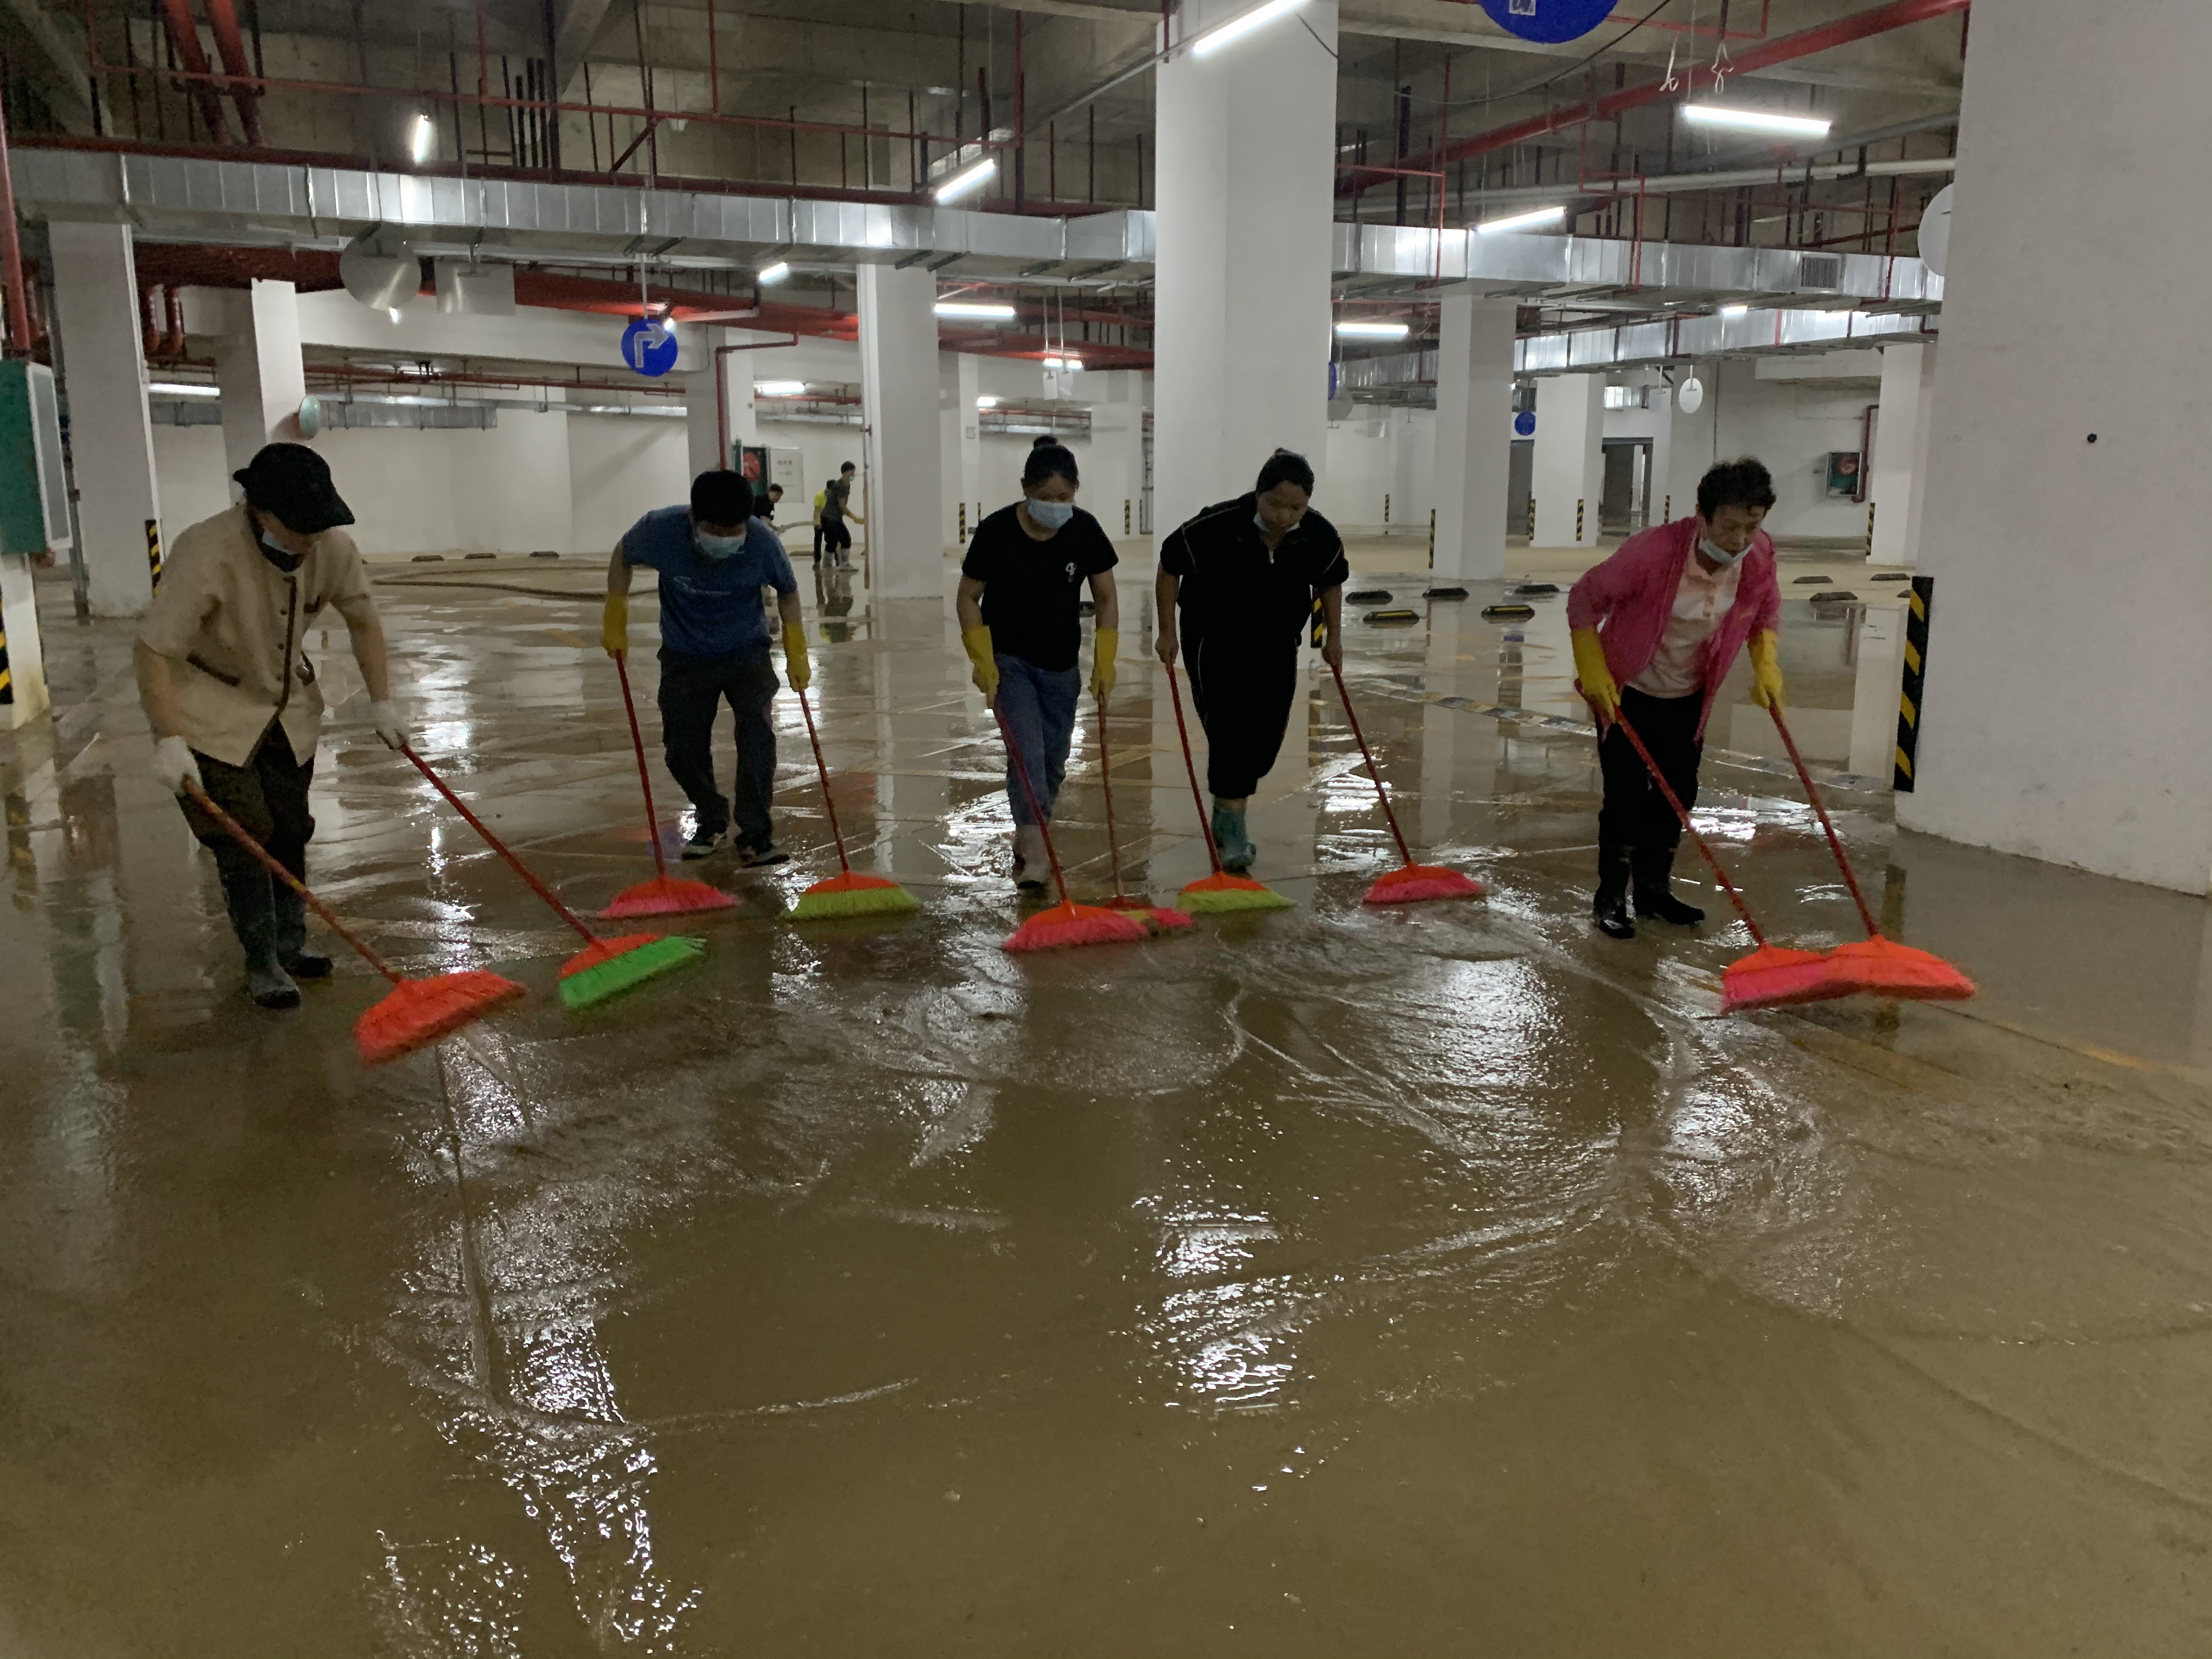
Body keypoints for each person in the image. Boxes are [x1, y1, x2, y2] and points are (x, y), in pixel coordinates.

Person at [136, 443, 403, 1009]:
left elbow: (364, 620)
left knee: (288, 828)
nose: (309, 541)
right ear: (259, 510)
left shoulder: (330, 548)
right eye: (298, 528)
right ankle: (262, 961)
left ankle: (290, 943)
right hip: (209, 713)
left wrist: (383, 702)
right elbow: (154, 649)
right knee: (245, 836)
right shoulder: (206, 551)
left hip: (287, 710)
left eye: (317, 527)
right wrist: (169, 738)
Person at [1568, 456, 1786, 941]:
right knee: (1626, 798)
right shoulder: (1652, 553)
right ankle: (1611, 898)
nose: (1741, 539)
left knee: (1677, 794)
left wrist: (1766, 662)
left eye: (1752, 525)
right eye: (1729, 526)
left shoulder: (1757, 555)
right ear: (1702, 515)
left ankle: (1652, 892)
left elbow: (1766, 606)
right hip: (1627, 692)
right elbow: (1584, 599)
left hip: (1691, 693)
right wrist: (1592, 667)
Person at [602, 469, 809, 866]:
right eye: (716, 530)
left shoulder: (762, 542)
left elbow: (788, 591)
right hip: (685, 655)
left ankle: (755, 834)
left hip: (746, 652)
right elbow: (622, 555)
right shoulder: (659, 530)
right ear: (693, 518)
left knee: (758, 738)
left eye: (735, 530)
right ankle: (712, 817)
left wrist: (796, 649)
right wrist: (616, 613)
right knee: (681, 748)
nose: (726, 538)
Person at [1154, 449, 1347, 873]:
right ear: (1258, 494)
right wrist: (1167, 631)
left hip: (1278, 643)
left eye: (1296, 508)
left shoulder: (1317, 534)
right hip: (1213, 642)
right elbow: (1169, 567)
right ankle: (1233, 828)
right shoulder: (1216, 526)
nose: (1285, 516)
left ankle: (1227, 810)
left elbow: (1330, 582)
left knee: (1265, 741)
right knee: (1230, 730)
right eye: (1276, 505)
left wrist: (1334, 638)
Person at [957, 443, 1120, 888]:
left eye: (1064, 497)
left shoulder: (1084, 530)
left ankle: (1032, 829)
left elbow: (1106, 597)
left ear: (1076, 491)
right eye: (1045, 497)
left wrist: (1105, 660)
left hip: (1061, 665)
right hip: (1010, 661)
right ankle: (1035, 848)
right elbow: (968, 596)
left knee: (1052, 760)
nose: (1055, 506)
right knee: (1026, 752)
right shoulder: (996, 532)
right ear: (1025, 489)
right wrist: (981, 657)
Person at [819, 461, 864, 569]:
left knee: (834, 541)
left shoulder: (846, 485)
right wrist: (854, 518)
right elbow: (842, 506)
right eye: (852, 472)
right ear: (845, 473)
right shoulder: (840, 486)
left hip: (833, 517)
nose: (853, 475)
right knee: (844, 540)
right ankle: (842, 564)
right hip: (830, 518)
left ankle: (830, 565)